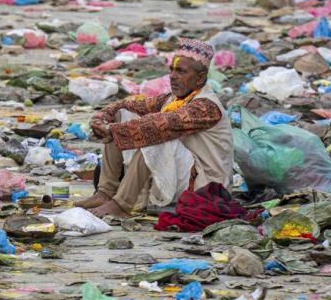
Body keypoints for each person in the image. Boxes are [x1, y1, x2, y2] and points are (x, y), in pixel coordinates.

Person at [76, 38, 233, 217]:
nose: (173, 76)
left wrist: (111, 131)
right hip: (180, 175)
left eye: (181, 71)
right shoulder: (172, 99)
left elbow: (163, 125)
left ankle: (121, 204)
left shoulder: (206, 107)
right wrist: (102, 117)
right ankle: (105, 192)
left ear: (200, 78)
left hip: (205, 185)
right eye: (172, 70)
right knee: (121, 115)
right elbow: (128, 104)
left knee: (154, 135)